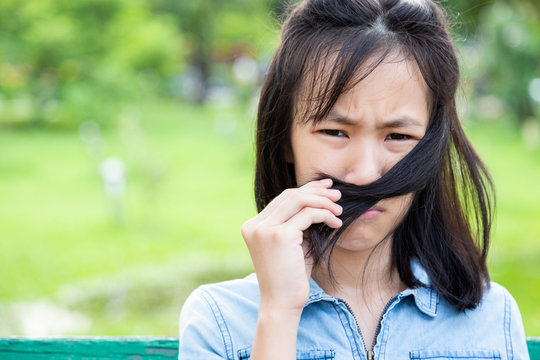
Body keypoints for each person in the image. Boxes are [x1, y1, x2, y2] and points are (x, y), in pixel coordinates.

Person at [178, 0, 530, 359]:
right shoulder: (220, 322)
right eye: (335, 131)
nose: (363, 174)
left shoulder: (491, 317)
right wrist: (278, 312)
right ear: (285, 139)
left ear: (432, 145)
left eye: (397, 137)